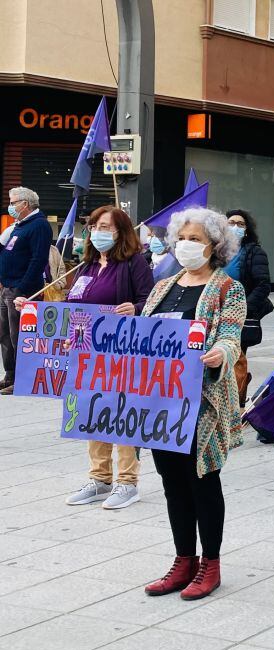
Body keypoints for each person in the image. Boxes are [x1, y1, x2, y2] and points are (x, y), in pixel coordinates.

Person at [143, 207, 245, 601]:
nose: (186, 245)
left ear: (214, 247)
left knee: (202, 481)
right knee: (172, 483)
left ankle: (210, 564)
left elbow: (232, 334)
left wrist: (221, 353)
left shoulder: (226, 289)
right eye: (182, 238)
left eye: (195, 239)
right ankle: (182, 560)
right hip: (160, 404)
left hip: (202, 404)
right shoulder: (162, 286)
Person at [24, 206, 155, 510]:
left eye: (105, 226)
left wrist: (135, 308)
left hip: (123, 353)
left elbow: (150, 299)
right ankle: (100, 479)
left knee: (122, 416)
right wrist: (31, 310)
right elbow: (70, 308)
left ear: (121, 232)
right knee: (94, 413)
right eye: (94, 226)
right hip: (88, 356)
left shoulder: (134, 263)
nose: (97, 231)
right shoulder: (87, 266)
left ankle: (127, 482)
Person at [0, 187, 52, 394]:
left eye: (13, 203)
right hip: (7, 287)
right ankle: (10, 375)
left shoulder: (39, 225)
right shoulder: (19, 226)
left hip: (22, 290)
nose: (10, 206)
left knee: (19, 335)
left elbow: (38, 260)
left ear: (25, 204)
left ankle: (22, 380)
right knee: (5, 335)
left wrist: (22, 289)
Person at [223, 210, 273, 407]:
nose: (235, 226)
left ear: (247, 229)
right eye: (231, 222)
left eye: (240, 224)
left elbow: (263, 285)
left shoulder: (253, 252)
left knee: (236, 359)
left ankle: (237, 402)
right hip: (215, 314)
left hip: (238, 316)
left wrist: (244, 309)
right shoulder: (217, 250)